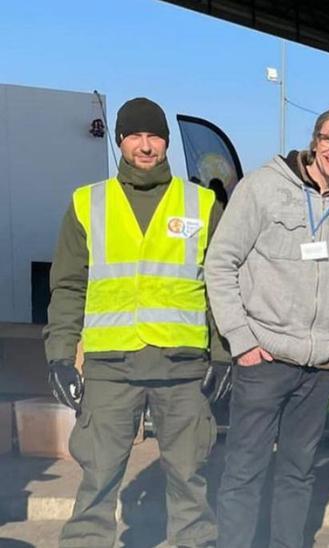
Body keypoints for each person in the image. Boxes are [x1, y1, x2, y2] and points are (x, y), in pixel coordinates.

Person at [43, 97, 224, 547]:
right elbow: (68, 285)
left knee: (189, 486)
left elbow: (221, 286)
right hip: (111, 369)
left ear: (166, 141)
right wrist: (60, 357)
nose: (146, 146)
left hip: (181, 368)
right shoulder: (88, 204)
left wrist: (223, 353)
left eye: (154, 136)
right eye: (135, 136)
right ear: (120, 141)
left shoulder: (201, 204)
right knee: (97, 484)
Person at [206, 105, 329, 548]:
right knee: (245, 470)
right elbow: (220, 264)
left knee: (298, 473)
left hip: (319, 366)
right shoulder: (263, 187)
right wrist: (240, 341)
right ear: (315, 140)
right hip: (264, 357)